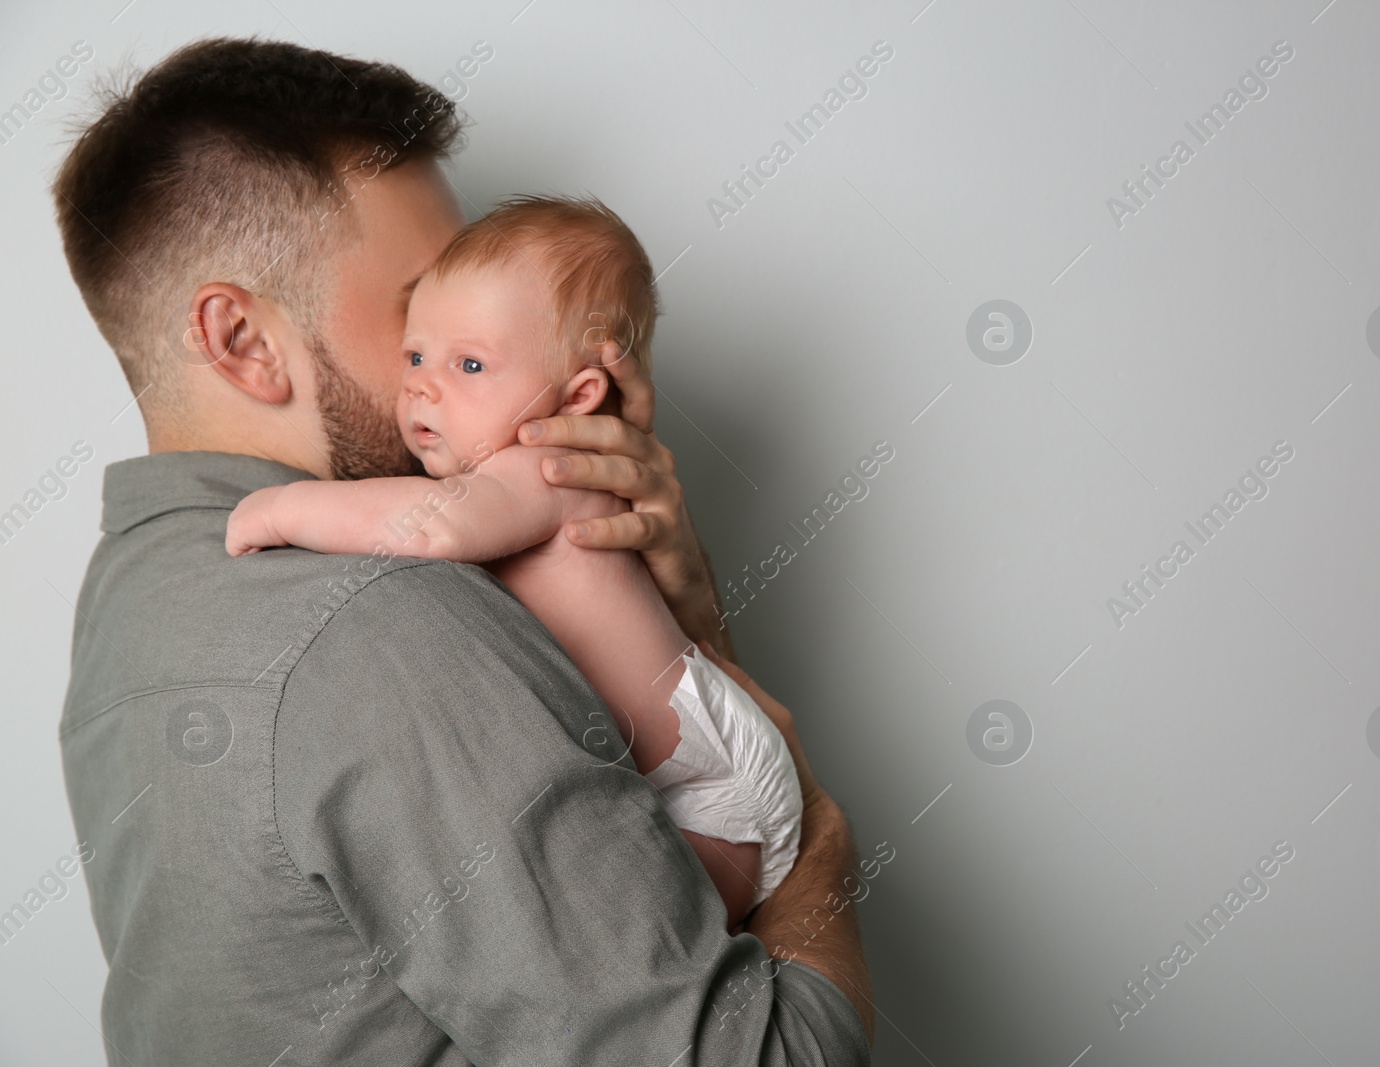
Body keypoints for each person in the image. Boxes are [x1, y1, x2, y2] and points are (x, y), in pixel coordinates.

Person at [53, 36, 872, 1064]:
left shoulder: (129, 593)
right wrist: (819, 859)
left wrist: (667, 600)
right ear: (243, 342)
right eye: (415, 318)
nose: (442, 365)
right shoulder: (385, 618)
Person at [225, 194, 804, 932]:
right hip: (678, 764)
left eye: (470, 363)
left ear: (578, 396)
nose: (423, 385)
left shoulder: (545, 469)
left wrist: (281, 509)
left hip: (709, 784)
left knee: (644, 940)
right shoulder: (510, 478)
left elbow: (431, 526)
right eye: (414, 354)